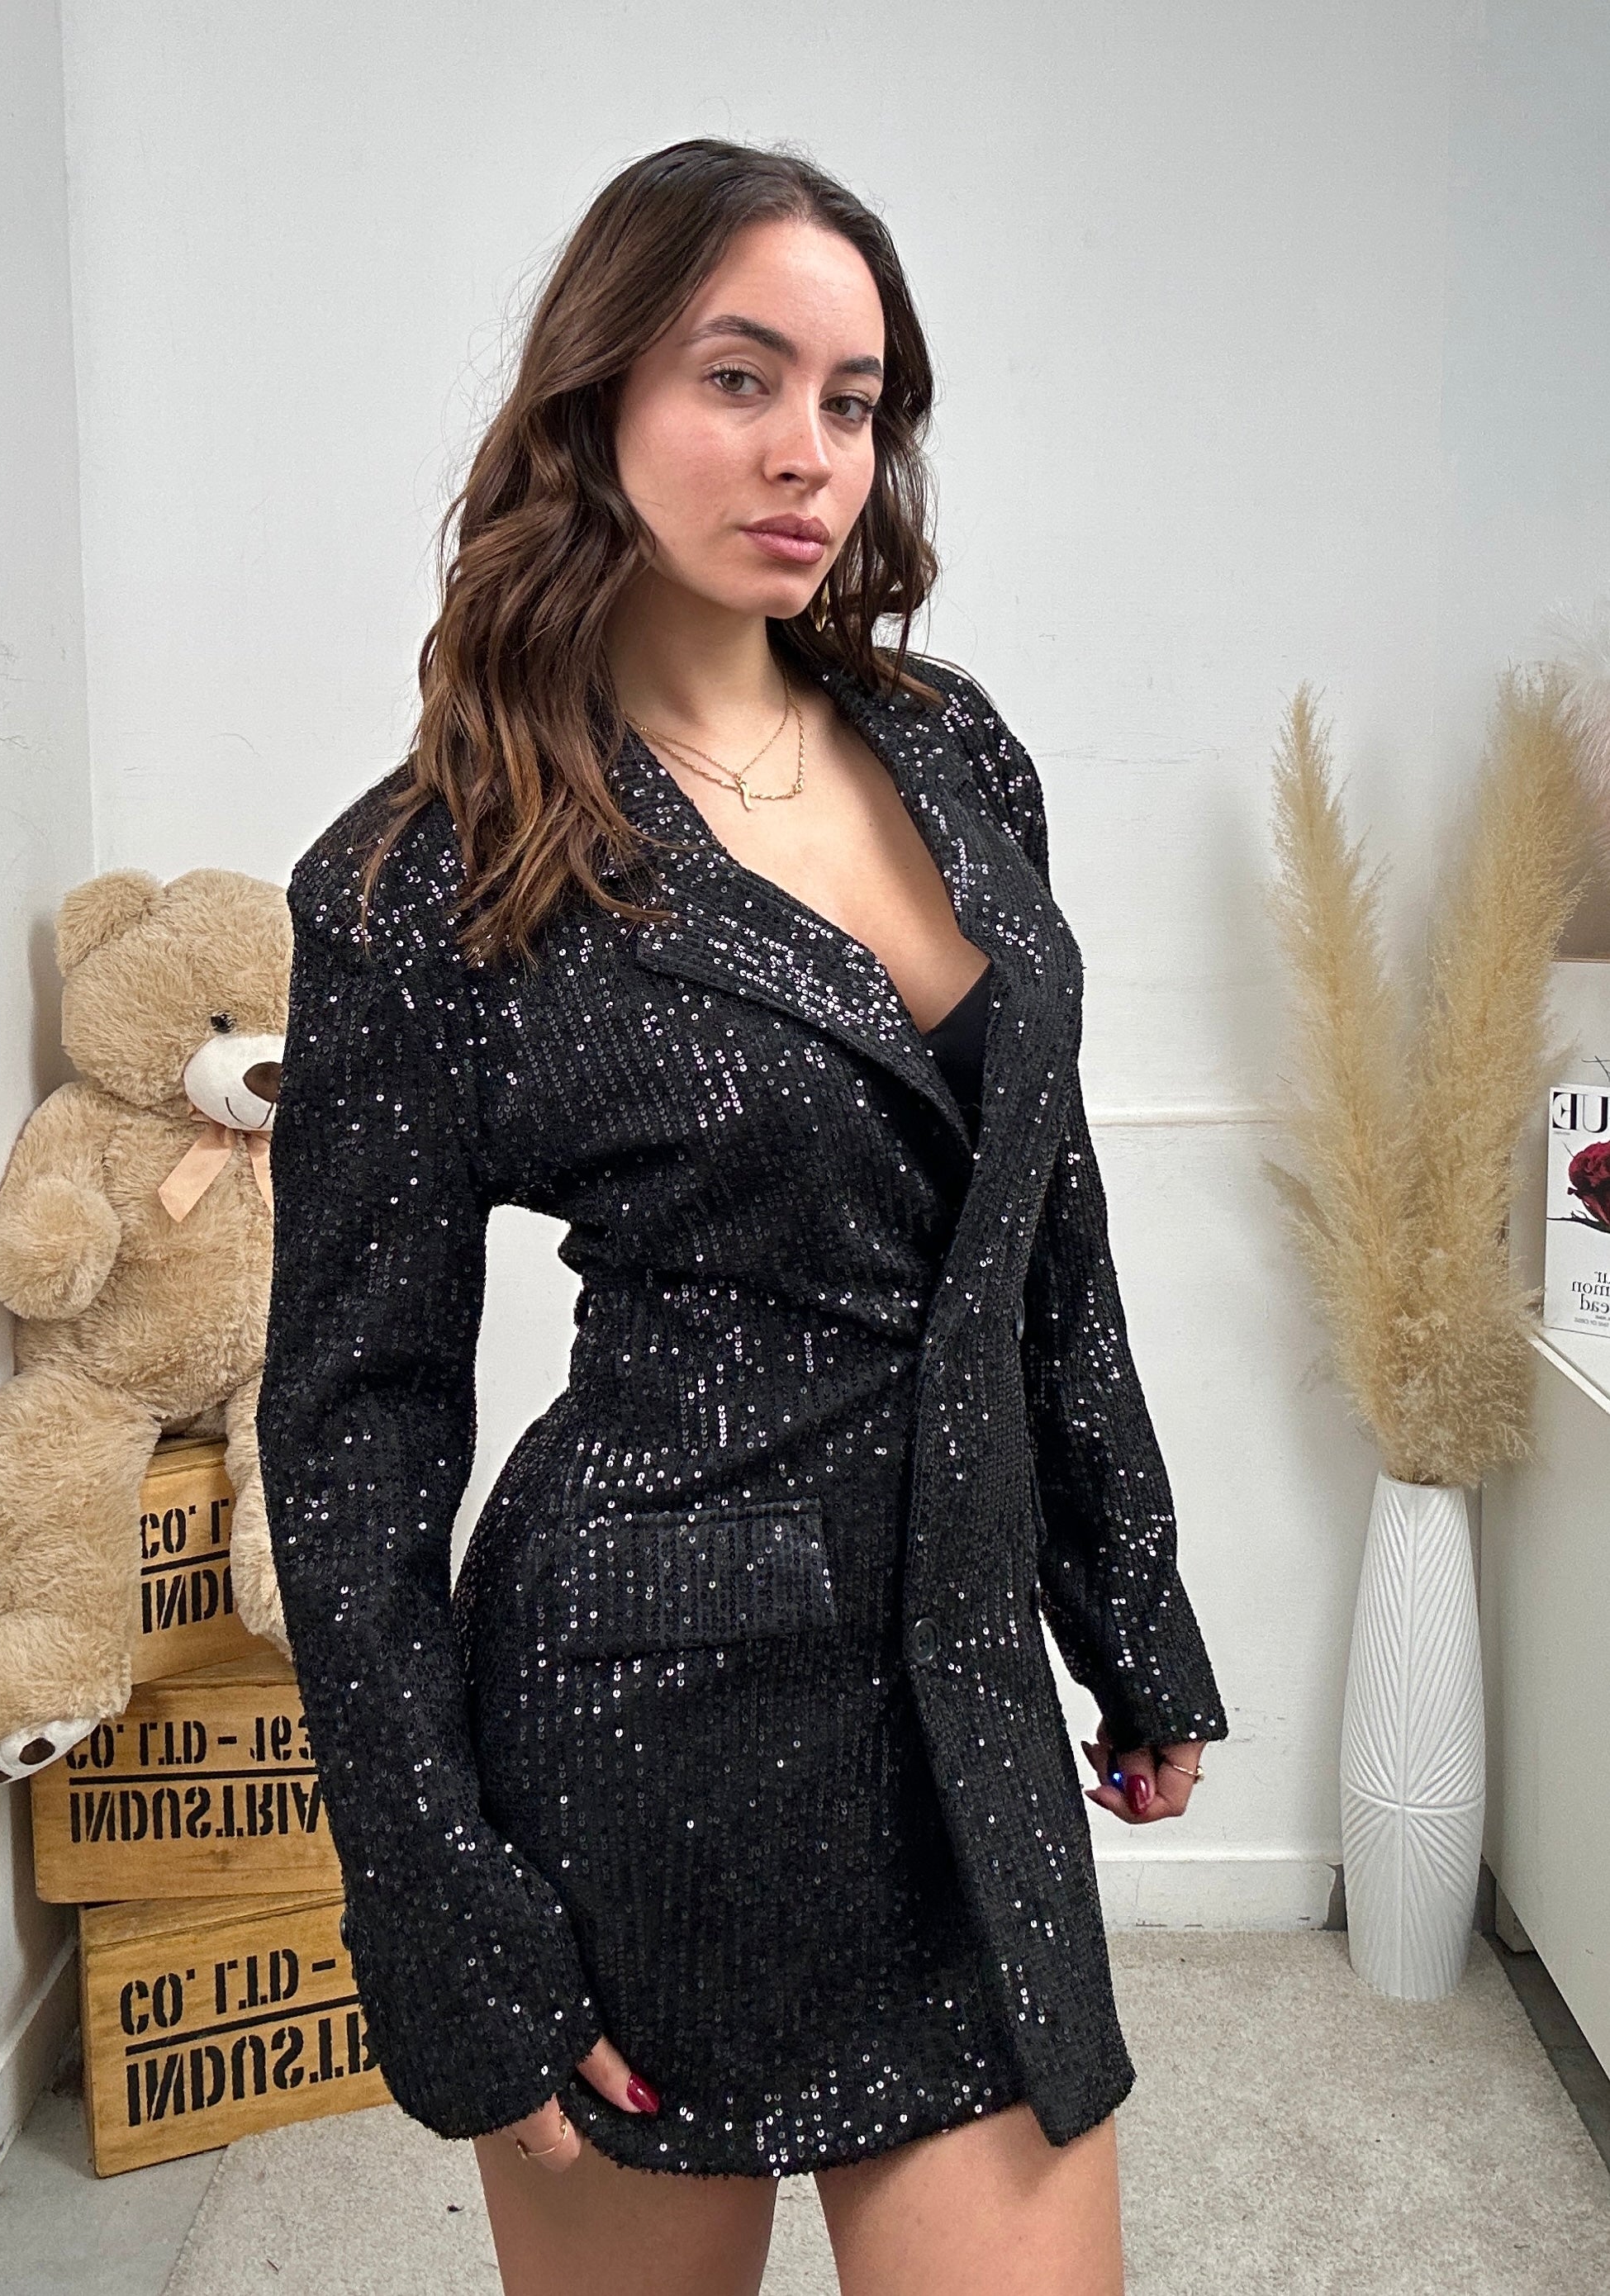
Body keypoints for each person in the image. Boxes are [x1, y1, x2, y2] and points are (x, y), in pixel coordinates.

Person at [255, 135, 1228, 2296]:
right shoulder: (427, 872)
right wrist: (440, 1911)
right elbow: (350, 1436)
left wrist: (1125, 1600)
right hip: (632, 1737)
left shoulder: (953, 755)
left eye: (854, 401)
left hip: (956, 1730)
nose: (810, 454)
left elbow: (1041, 1218)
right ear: (594, 397)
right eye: (738, 377)